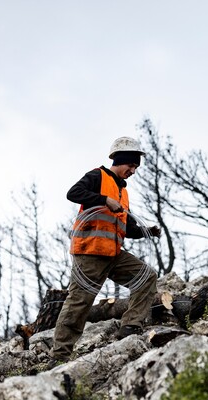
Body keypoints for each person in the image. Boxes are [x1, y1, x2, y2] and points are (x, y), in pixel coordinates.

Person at [50, 136, 160, 363]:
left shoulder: (123, 193)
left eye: (136, 167)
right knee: (79, 302)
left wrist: (147, 231)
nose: (133, 171)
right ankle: (59, 357)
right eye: (132, 165)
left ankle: (130, 327)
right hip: (90, 252)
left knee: (146, 276)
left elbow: (127, 228)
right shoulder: (97, 176)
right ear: (122, 160)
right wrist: (103, 200)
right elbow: (73, 193)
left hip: (113, 254)